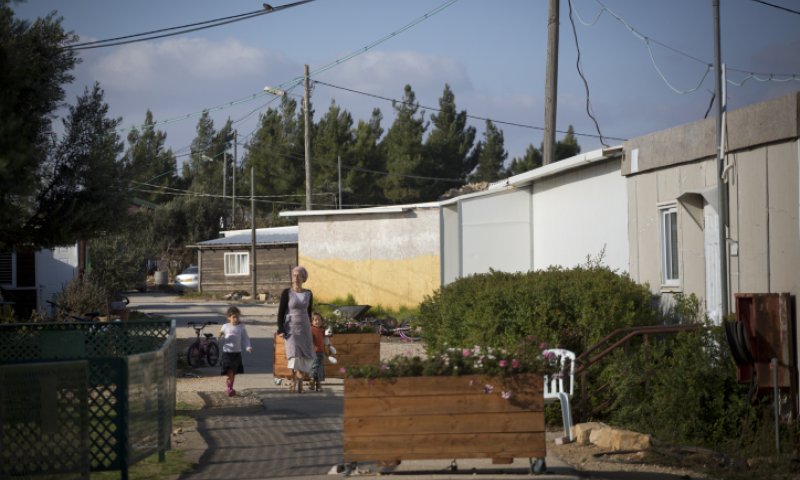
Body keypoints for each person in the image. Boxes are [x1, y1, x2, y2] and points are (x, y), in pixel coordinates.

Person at [277, 265, 314, 393]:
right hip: (291, 328)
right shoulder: (287, 293)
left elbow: (309, 312)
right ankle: (293, 379)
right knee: (293, 354)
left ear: (304, 278)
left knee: (304, 355)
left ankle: (300, 381)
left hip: (304, 328)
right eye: (294, 275)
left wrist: (312, 327)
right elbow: (281, 312)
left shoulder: (308, 293)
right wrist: (280, 328)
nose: (296, 278)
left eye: (299, 276)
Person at [219, 305, 253, 397]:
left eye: (237, 317)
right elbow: (220, 337)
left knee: (233, 372)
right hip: (227, 353)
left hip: (236, 353)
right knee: (229, 372)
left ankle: (230, 387)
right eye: (234, 317)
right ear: (229, 317)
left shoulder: (241, 327)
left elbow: (245, 338)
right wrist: (220, 336)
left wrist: (248, 347)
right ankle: (229, 388)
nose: (236, 319)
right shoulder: (225, 326)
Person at [309, 311, 330, 392]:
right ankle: (312, 380)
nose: (317, 321)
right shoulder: (310, 329)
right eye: (315, 320)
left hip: (320, 351)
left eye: (319, 320)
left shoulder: (322, 330)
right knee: (315, 366)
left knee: (320, 367)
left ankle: (317, 384)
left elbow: (326, 340)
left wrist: (328, 347)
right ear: (312, 321)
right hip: (313, 351)